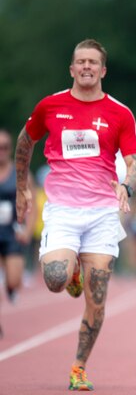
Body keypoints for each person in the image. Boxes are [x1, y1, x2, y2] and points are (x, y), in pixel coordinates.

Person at [14, 39, 136, 391]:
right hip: (63, 210)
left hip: (102, 213)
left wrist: (127, 186)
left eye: (93, 62)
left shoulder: (120, 113)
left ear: (103, 70)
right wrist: (22, 187)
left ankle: (79, 367)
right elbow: (26, 142)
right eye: (80, 62)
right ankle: (70, 273)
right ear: (72, 69)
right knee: (55, 278)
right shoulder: (50, 106)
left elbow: (134, 162)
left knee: (97, 298)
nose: (86, 67)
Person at [0, 129, 37, 338]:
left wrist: (28, 231)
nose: (1, 152)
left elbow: (33, 206)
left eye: (5, 147)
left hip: (13, 233)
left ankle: (11, 287)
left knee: (13, 280)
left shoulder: (21, 173)